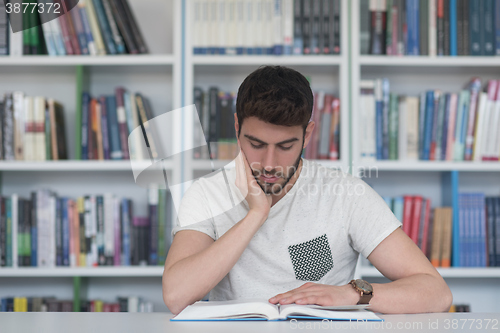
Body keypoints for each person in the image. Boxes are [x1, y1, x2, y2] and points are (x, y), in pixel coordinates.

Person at [162, 66, 452, 316]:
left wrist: (352, 295)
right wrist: (256, 214)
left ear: (308, 135)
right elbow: (176, 296)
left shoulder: (346, 194)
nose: (270, 164)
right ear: (237, 126)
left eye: (286, 146)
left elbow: (437, 293)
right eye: (256, 144)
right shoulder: (207, 194)